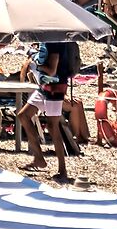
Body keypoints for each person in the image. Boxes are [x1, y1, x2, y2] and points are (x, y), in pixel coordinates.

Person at [20, 36, 78, 180]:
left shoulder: (54, 41)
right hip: (45, 86)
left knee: (53, 127)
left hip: (55, 87)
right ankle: (39, 158)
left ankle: (62, 171)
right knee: (23, 115)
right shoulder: (51, 40)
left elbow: (51, 70)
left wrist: (34, 61)